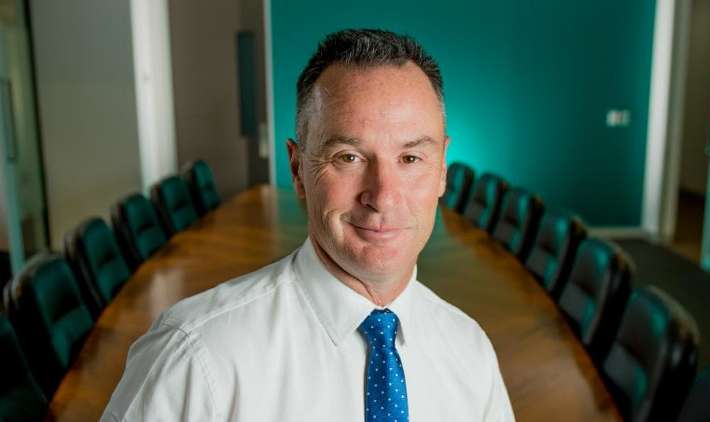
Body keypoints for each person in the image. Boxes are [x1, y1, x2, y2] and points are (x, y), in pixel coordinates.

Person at [102, 28, 515, 421]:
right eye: (349, 157)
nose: (383, 196)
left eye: (410, 158)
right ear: (298, 169)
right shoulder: (195, 357)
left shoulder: (471, 352)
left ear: (441, 169)